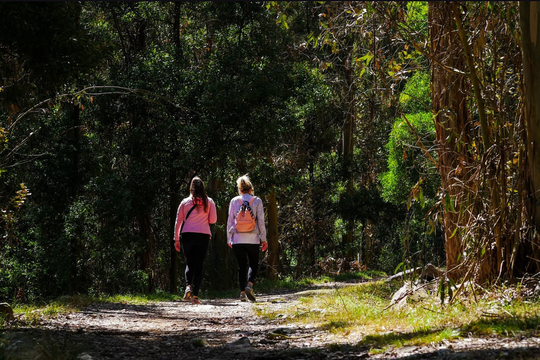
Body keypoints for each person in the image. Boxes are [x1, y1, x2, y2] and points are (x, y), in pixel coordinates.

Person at [174, 176, 217, 305]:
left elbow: (178, 221)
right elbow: (213, 220)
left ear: (191, 188)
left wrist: (176, 239)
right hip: (203, 234)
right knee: (199, 265)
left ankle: (188, 286)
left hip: (187, 234)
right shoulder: (209, 202)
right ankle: (195, 296)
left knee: (189, 263)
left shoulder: (184, 202)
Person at [227, 175, 267, 302]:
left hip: (238, 238)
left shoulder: (234, 201)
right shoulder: (257, 201)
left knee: (241, 266)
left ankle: (242, 293)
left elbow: (230, 221)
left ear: (240, 189)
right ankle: (250, 285)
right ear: (251, 189)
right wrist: (264, 239)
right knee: (253, 264)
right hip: (253, 238)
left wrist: (229, 238)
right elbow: (261, 222)